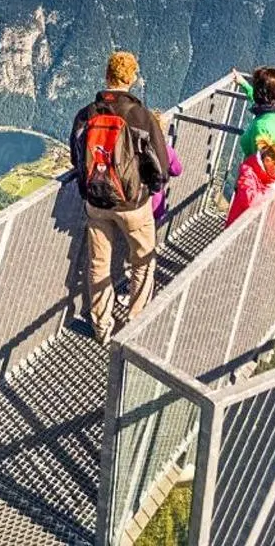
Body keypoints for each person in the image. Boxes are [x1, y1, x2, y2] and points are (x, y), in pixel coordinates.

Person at [70, 51, 172, 343]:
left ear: (107, 76)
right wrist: (149, 190)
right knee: (143, 260)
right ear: (132, 78)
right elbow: (160, 165)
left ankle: (101, 327)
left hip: (96, 204)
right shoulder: (141, 116)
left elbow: (76, 157)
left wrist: (87, 190)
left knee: (98, 264)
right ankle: (133, 324)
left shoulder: (86, 114)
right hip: (133, 205)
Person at [227, 66, 275, 201]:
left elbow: (259, 164)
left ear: (260, 95)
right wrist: (244, 85)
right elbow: (265, 104)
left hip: (254, 187)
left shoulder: (261, 127)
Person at [226, 140, 275, 227]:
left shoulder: (270, 171)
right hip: (239, 226)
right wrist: (272, 189)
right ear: (268, 161)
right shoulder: (248, 172)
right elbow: (250, 201)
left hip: (256, 225)